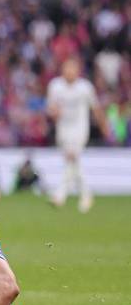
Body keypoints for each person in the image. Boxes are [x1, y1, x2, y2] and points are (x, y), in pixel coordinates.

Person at [46, 58, 111, 213]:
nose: (69, 72)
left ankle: (59, 195)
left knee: (72, 157)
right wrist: (55, 113)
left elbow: (95, 107)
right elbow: (51, 108)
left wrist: (104, 125)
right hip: (63, 129)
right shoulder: (55, 86)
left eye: (72, 69)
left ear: (78, 71)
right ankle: (86, 194)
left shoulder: (85, 87)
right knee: (72, 162)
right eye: (67, 69)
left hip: (79, 128)